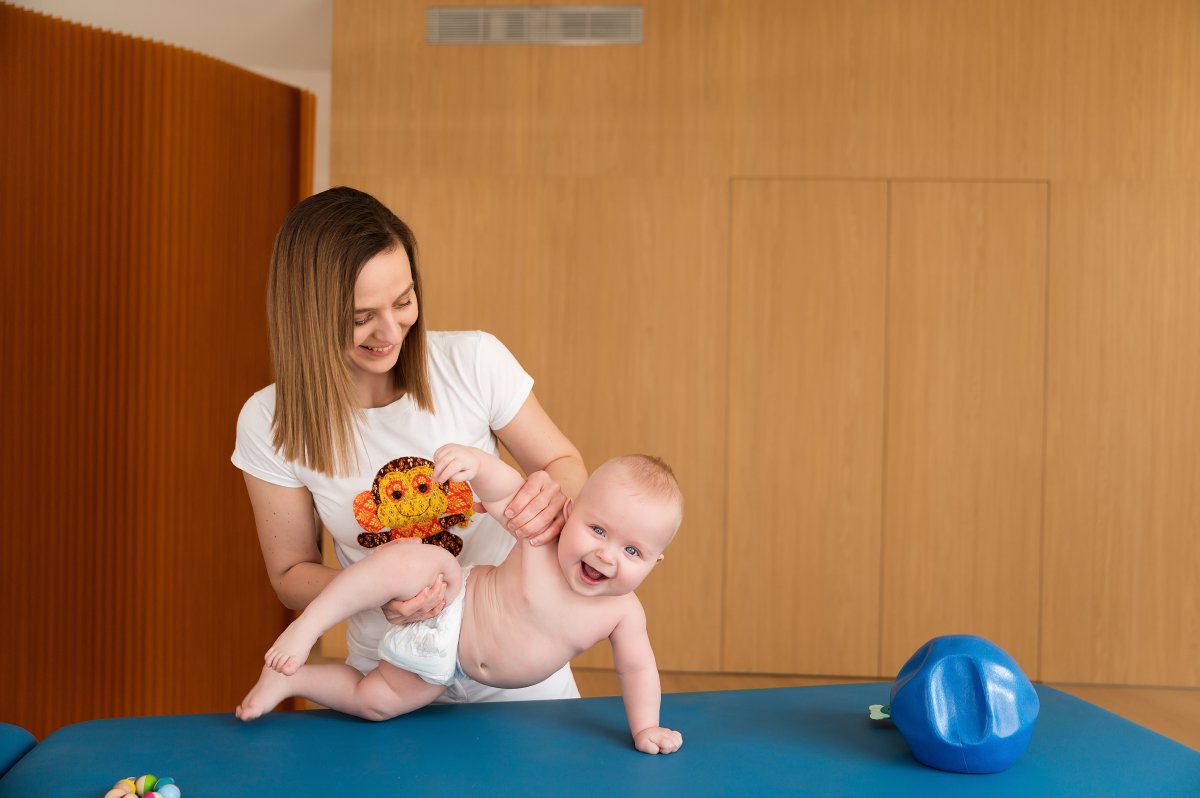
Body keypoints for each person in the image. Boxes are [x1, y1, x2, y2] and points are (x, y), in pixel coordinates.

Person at [231, 186, 588, 703]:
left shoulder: (474, 361)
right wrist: (383, 596)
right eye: (359, 318)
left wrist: (546, 501)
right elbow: (290, 573)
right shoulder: (269, 420)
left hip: (519, 663)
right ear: (306, 314)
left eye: (403, 302)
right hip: (391, 677)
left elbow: (564, 464)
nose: (390, 330)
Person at [237, 445, 684, 755]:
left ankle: (290, 682)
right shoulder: (542, 537)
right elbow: (507, 489)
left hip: (440, 667)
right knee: (420, 562)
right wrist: (476, 463)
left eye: (632, 551)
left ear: (654, 562)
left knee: (374, 702)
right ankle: (309, 624)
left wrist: (645, 727)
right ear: (569, 512)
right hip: (450, 602)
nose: (606, 554)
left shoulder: (622, 613)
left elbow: (637, 668)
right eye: (598, 530)